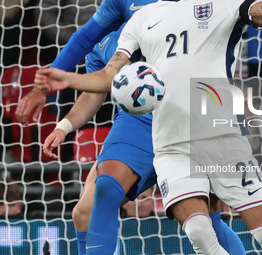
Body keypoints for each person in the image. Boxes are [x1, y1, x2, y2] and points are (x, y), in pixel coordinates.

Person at [34, 1, 262, 254]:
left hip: (217, 131)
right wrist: (68, 83)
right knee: (193, 231)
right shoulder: (139, 18)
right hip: (160, 136)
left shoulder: (223, 5)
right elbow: (108, 75)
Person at [43, 26, 246, 255]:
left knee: (204, 217)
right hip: (136, 125)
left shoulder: (162, 15)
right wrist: (64, 126)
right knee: (85, 212)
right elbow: (95, 92)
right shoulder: (100, 36)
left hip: (182, 118)